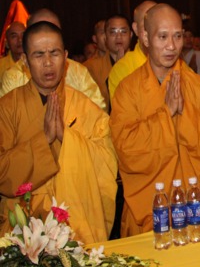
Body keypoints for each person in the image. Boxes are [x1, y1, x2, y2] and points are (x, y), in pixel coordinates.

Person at [110, 4, 200, 236]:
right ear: (145, 37)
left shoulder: (199, 86)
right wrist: (166, 114)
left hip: (196, 205)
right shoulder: (128, 90)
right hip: (150, 208)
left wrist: (186, 113)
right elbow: (125, 148)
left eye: (178, 36)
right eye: (163, 37)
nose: (172, 46)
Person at [0, 21, 117, 244]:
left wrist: (67, 137)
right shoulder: (7, 108)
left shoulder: (85, 107)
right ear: (25, 61)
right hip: (23, 230)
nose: (48, 63)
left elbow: (107, 163)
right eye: (38, 55)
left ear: (65, 58)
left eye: (54, 53)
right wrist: (43, 140)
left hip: (76, 223)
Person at [0, 9, 106, 112]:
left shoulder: (78, 72)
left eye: (53, 30)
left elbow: (98, 113)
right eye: (40, 31)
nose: (48, 62)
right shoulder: (13, 77)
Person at [108, 0, 156, 101]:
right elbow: (123, 109)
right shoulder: (122, 69)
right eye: (146, 25)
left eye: (159, 25)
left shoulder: (178, 65)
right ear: (136, 29)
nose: (154, 31)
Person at [85, 15, 132, 109]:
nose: (119, 36)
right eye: (113, 32)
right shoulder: (90, 67)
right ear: (106, 37)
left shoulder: (143, 62)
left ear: (131, 35)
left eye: (123, 31)